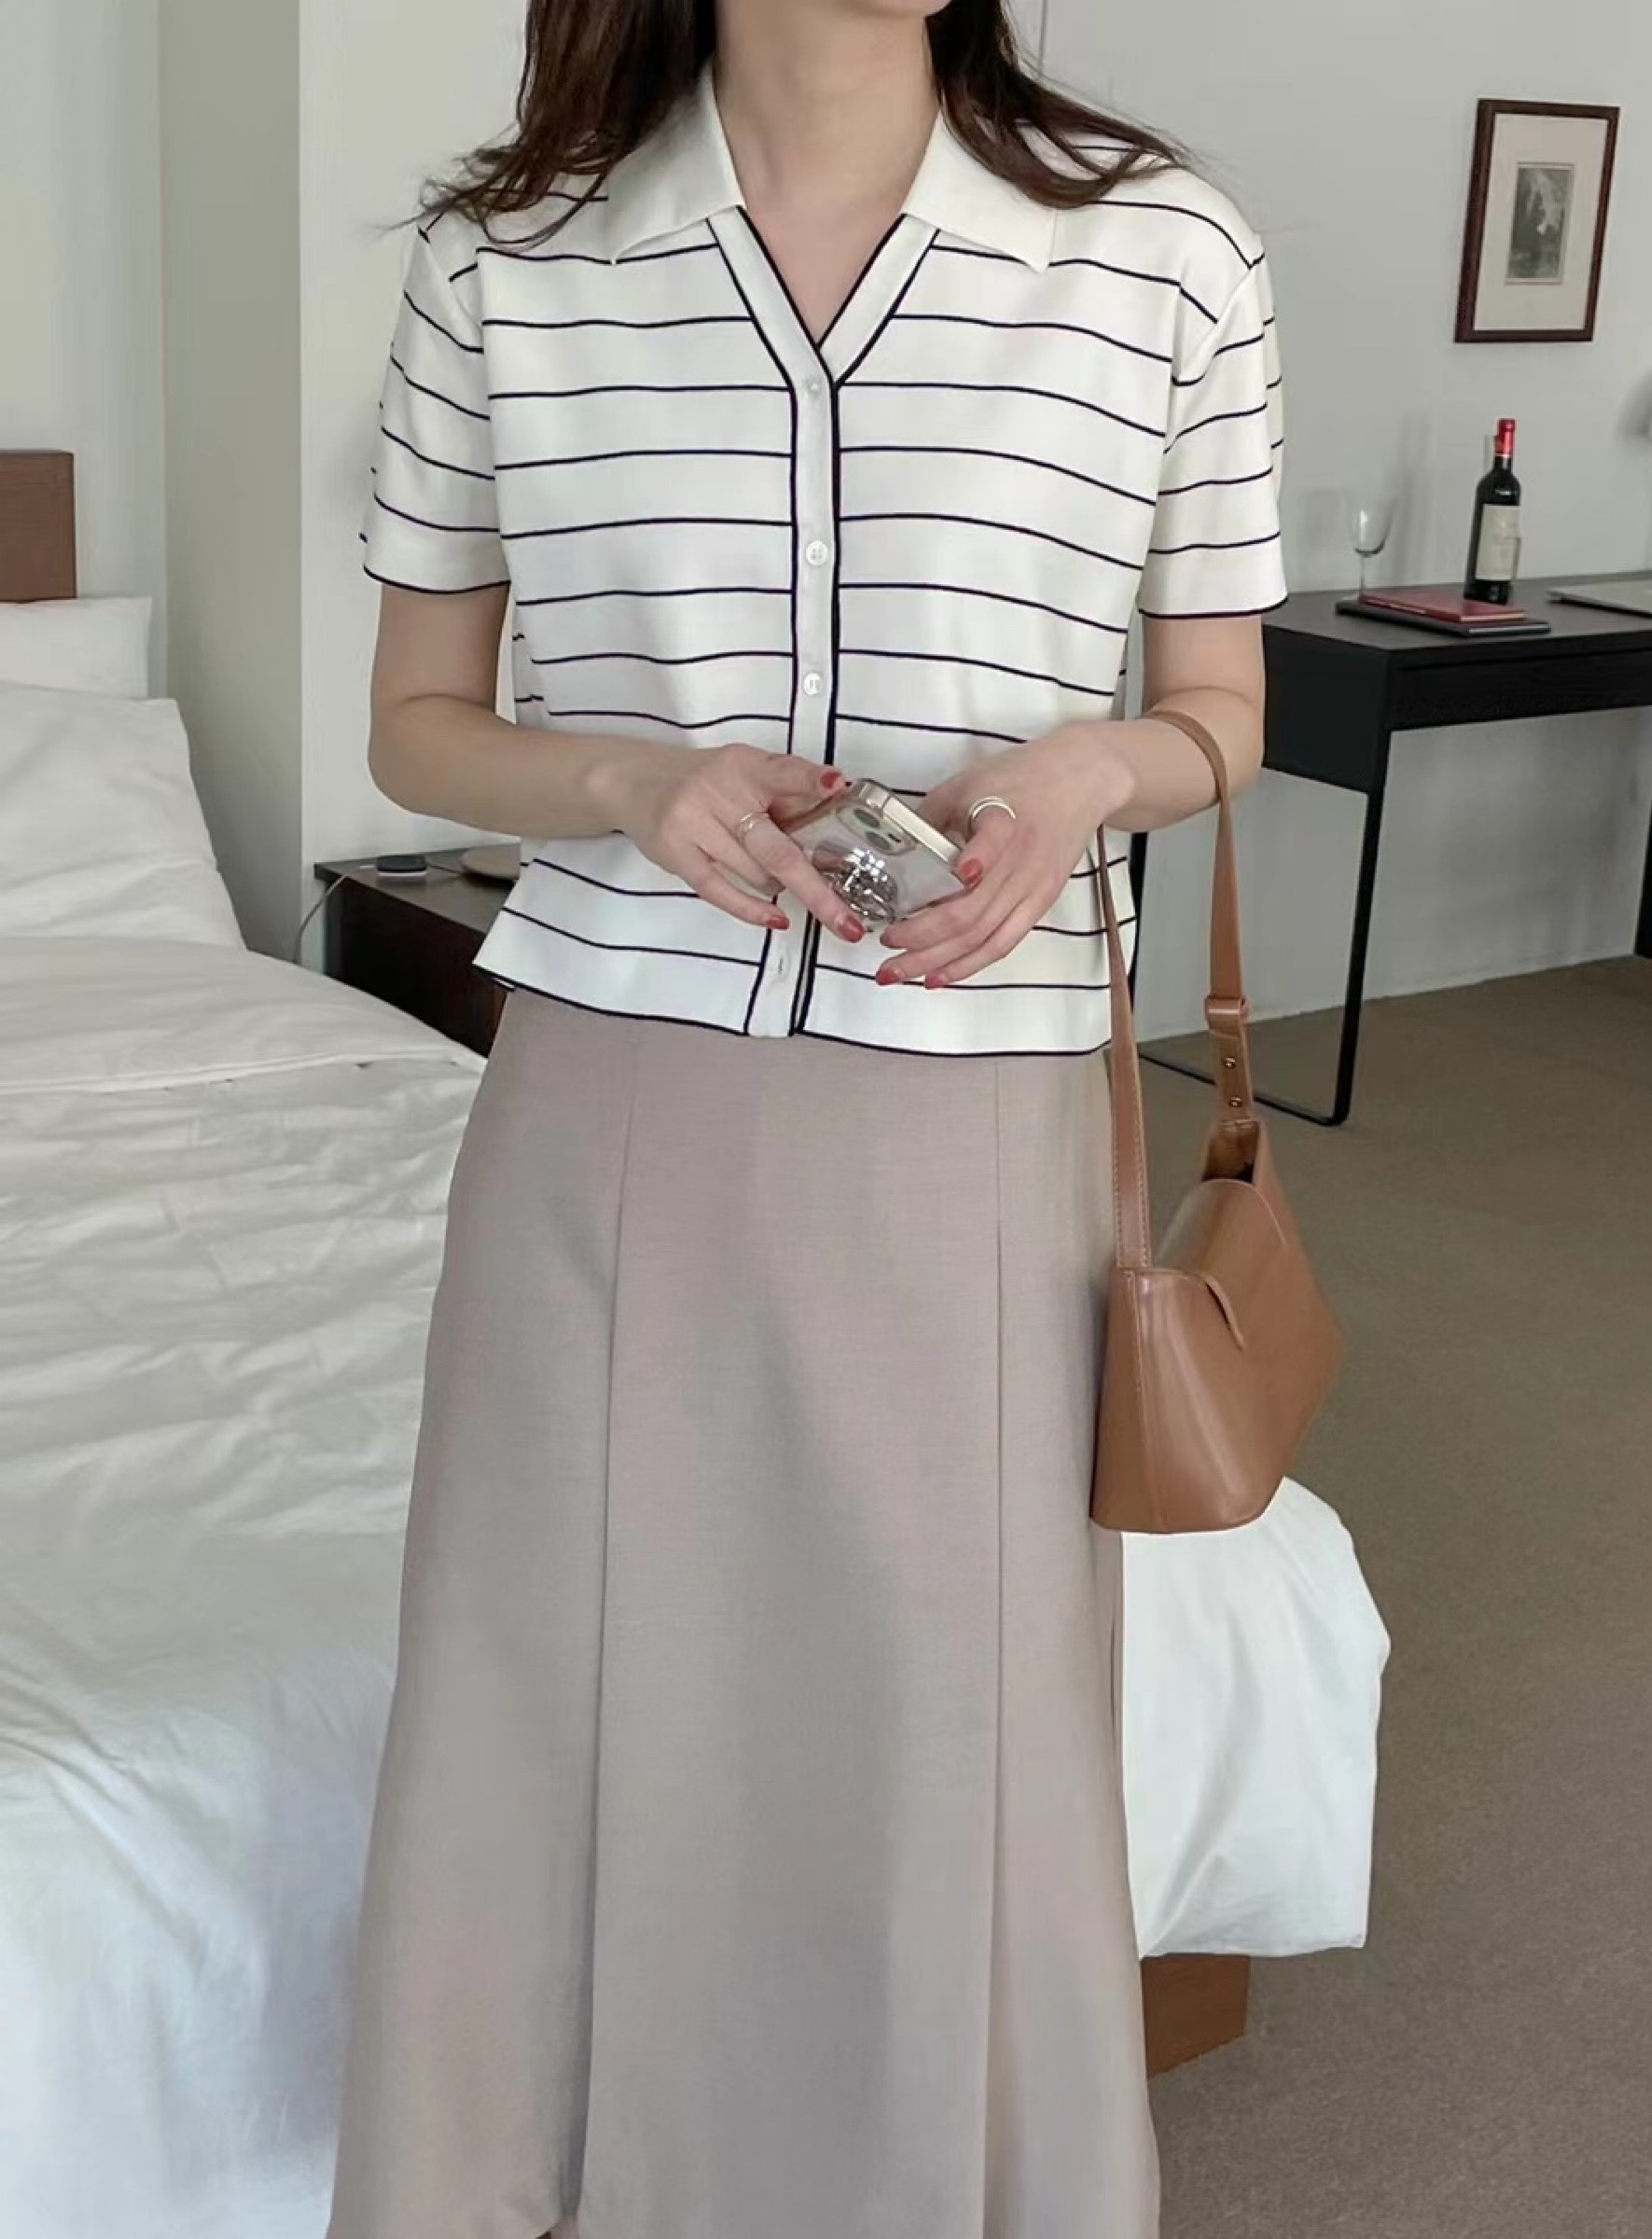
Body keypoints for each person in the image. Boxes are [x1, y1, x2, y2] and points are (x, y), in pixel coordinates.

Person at [329, 1, 1283, 2234]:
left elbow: (1219, 707)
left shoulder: (1167, 249)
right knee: (553, 1673)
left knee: (951, 1685)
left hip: (983, 1098)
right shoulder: (509, 260)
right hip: (614, 1091)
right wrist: (630, 779)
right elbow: (417, 724)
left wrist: (1088, 777)